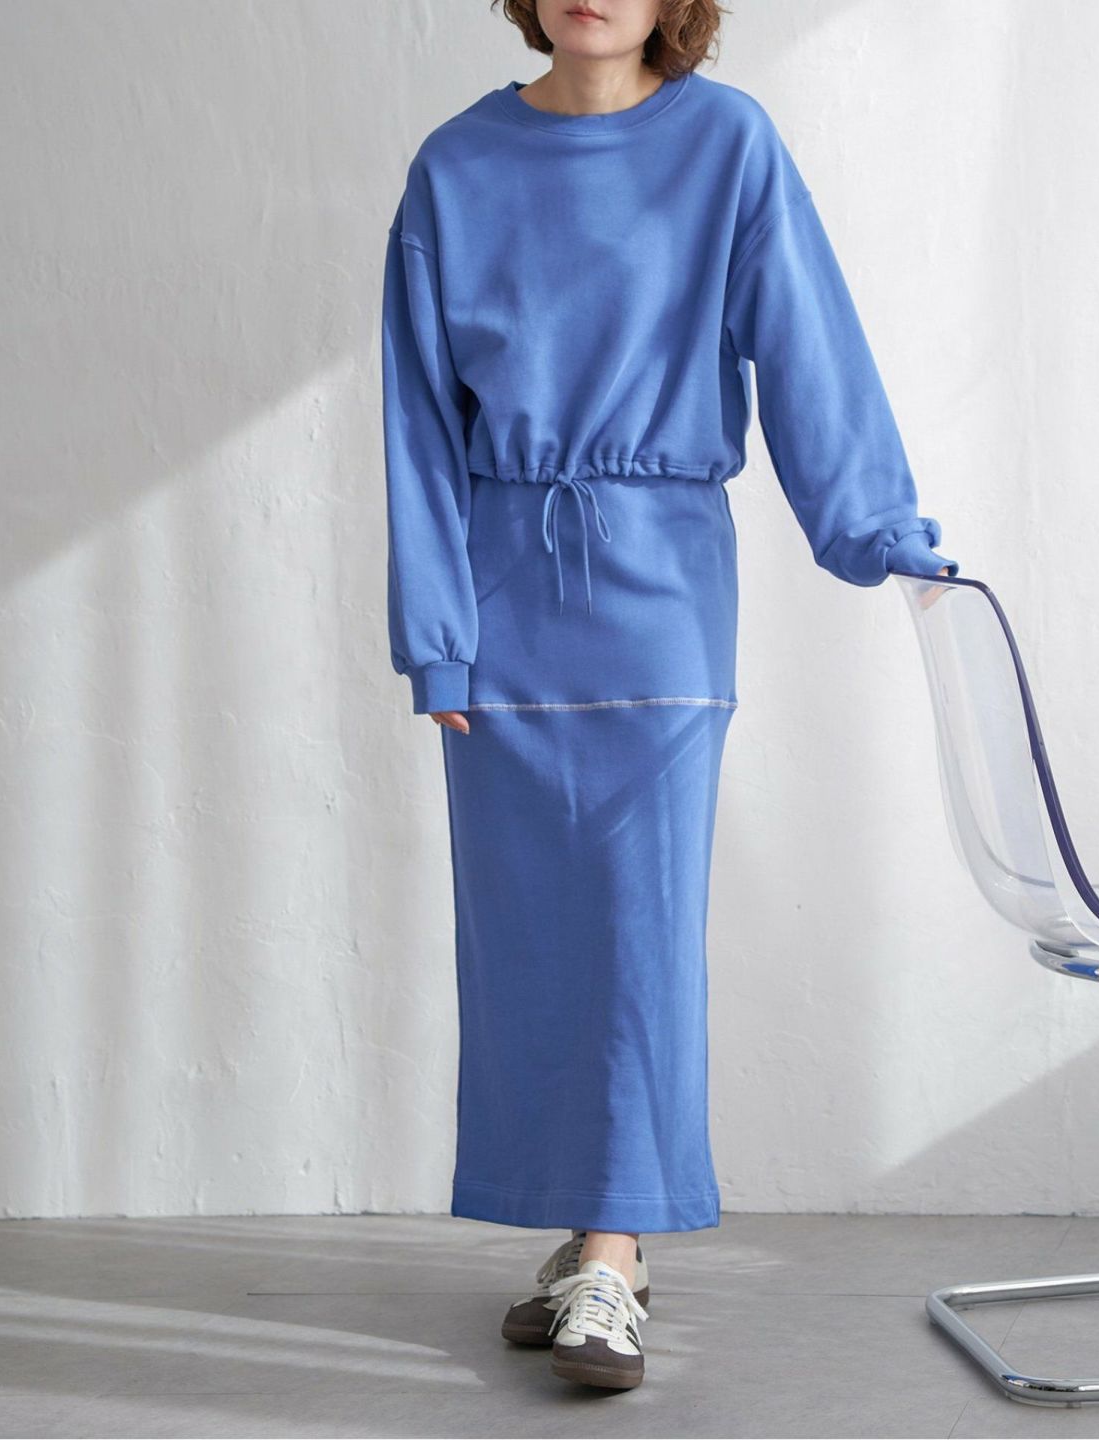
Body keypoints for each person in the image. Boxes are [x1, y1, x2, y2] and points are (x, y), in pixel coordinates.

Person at [380, 0, 957, 1394]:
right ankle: (592, 1238)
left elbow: (807, 341)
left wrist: (879, 528)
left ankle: (616, 1251)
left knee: (639, 933)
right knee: (529, 940)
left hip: (661, 599)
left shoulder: (728, 145)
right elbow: (417, 419)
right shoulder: (455, 166)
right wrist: (438, 638)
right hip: (504, 607)